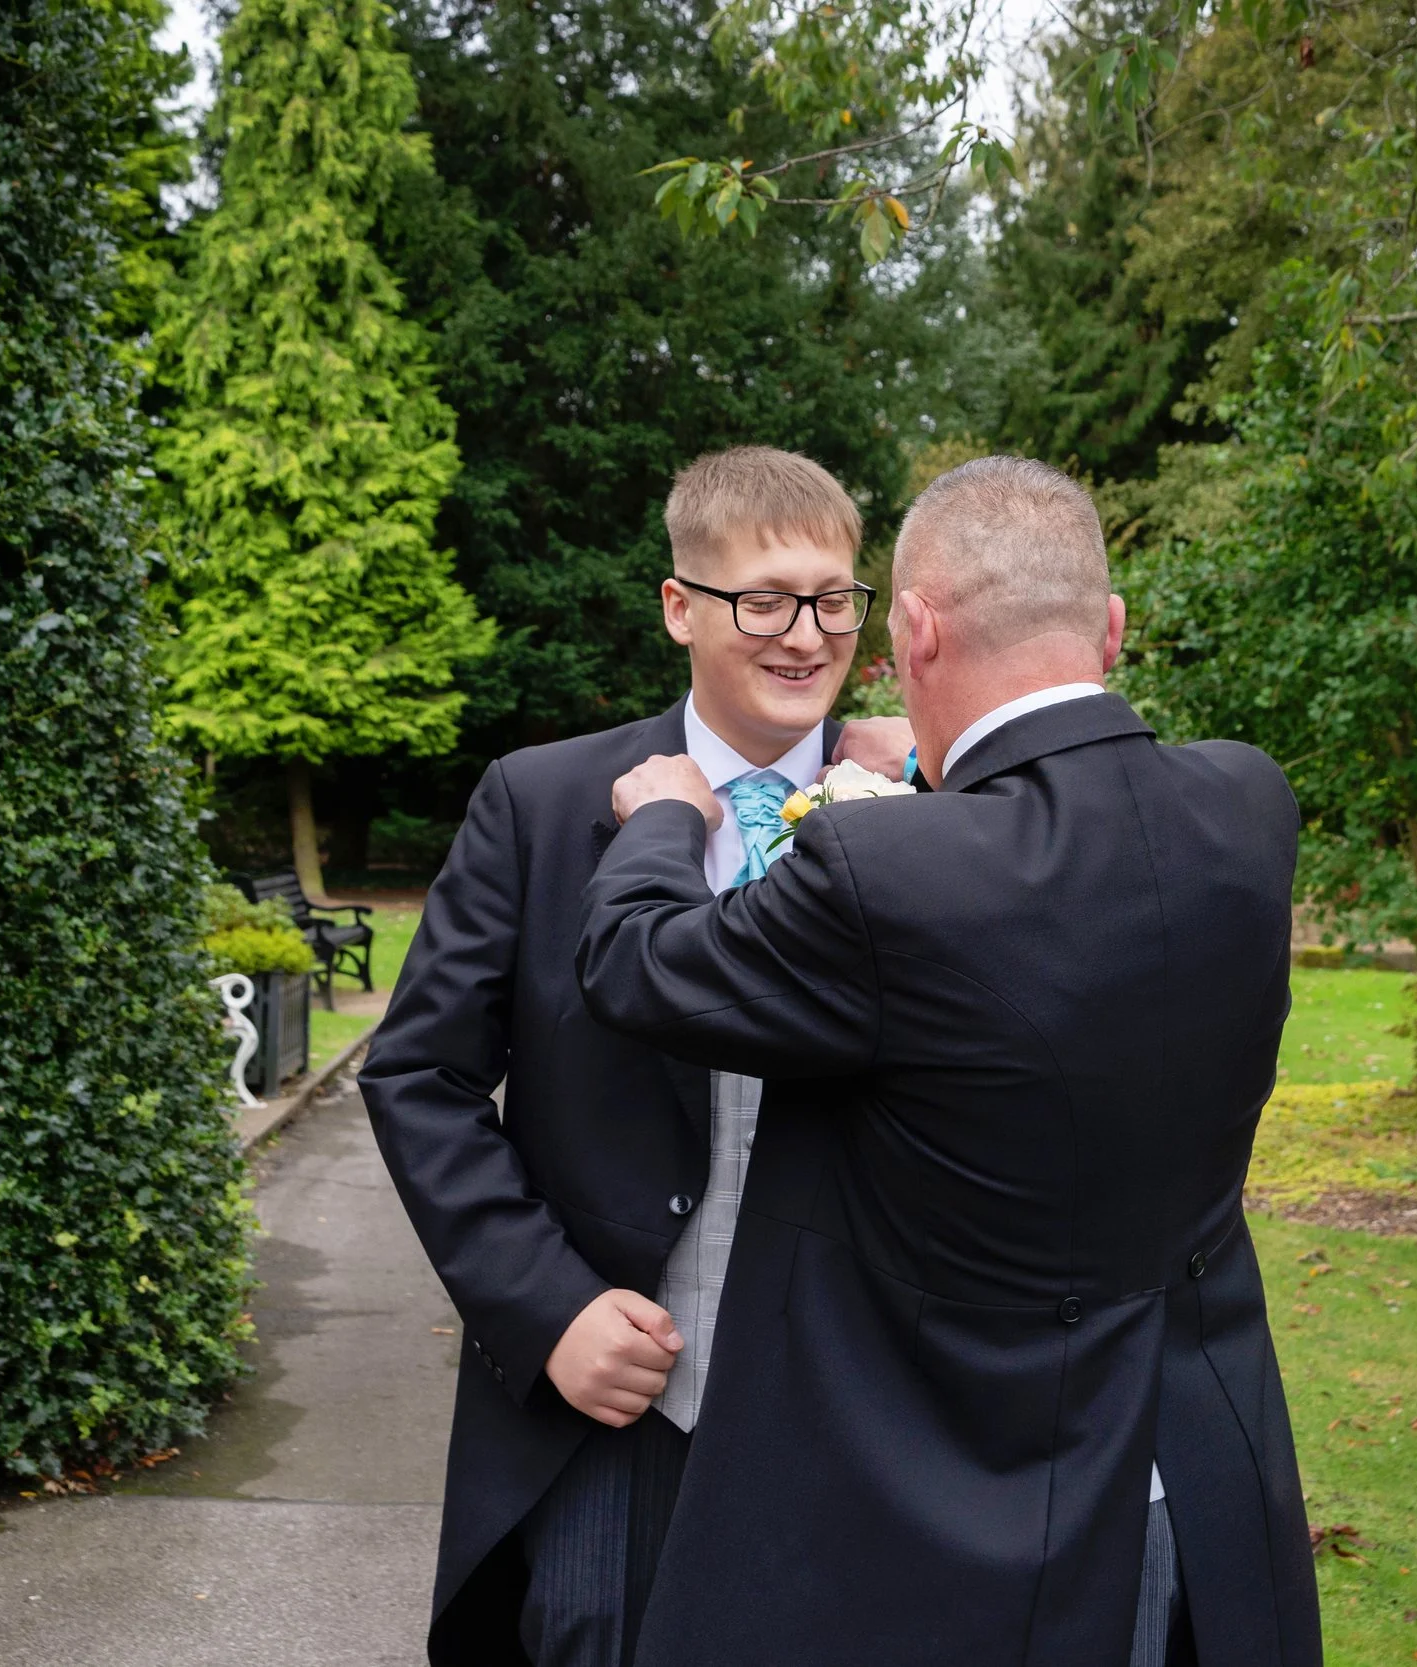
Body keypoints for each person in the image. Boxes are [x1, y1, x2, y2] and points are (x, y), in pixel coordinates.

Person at [575, 456, 1319, 1667]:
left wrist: (666, 814)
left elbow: (635, 961)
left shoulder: (889, 870)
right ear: (1112, 630)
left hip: (970, 1517)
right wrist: (934, 783)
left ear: (912, 630)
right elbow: (1057, 912)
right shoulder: (1246, 803)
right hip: (1196, 1474)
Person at [360, 447, 917, 1666]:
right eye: (762, 601)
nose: (805, 636)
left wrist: (933, 778)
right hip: (621, 1407)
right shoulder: (541, 802)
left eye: (834, 600)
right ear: (679, 605)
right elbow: (420, 1075)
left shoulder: (926, 809)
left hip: (873, 1409)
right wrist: (546, 1305)